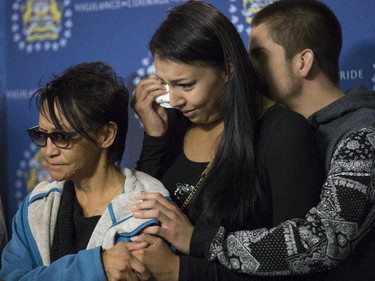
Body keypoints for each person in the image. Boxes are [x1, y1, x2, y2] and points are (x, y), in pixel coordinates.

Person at [129, 1, 324, 280]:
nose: (174, 100)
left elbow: (296, 263)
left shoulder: (284, 133)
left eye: (186, 85)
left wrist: (180, 269)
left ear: (228, 70)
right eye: (165, 83)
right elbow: (138, 215)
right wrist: (155, 137)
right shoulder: (172, 122)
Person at [193, 0, 375, 280]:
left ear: (303, 62)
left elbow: (322, 241)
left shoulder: (363, 134)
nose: (247, 69)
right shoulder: (268, 131)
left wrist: (206, 242)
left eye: (260, 56)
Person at [0, 61, 170, 281]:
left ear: (106, 135)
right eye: (41, 135)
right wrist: (97, 266)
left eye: (61, 137)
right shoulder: (36, 205)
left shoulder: (149, 208)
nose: (48, 151)